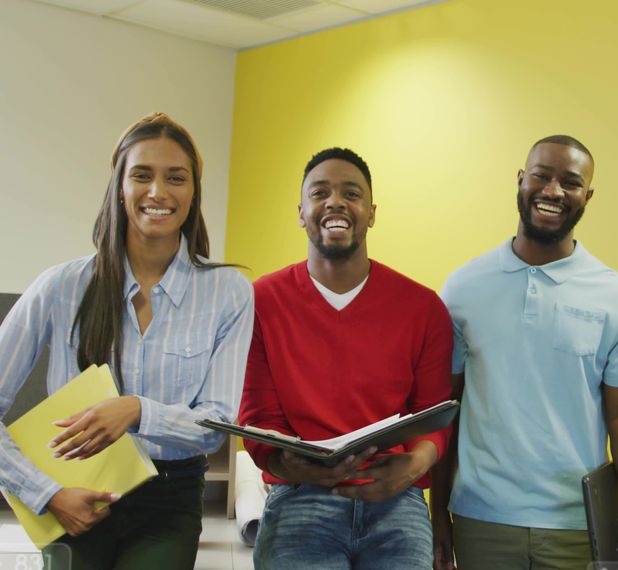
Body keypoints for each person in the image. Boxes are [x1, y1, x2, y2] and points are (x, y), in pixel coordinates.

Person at [0, 112, 254, 569]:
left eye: (175, 177)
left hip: (169, 502)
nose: (158, 192)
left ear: (193, 191)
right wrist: (46, 493)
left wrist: (137, 411)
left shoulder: (229, 292)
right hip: (73, 492)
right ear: (120, 185)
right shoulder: (60, 286)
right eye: (141, 175)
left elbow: (216, 425)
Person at [432, 135, 618, 569]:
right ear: (521, 180)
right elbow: (445, 411)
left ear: (588, 196)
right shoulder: (462, 289)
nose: (553, 191)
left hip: (580, 525)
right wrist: (437, 514)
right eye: (541, 176)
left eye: (570, 182)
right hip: (482, 519)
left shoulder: (616, 297)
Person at [237, 147, 453, 570]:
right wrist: (291, 466)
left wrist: (413, 467)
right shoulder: (260, 301)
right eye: (320, 193)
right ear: (301, 213)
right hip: (300, 496)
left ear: (371, 213)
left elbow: (434, 415)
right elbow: (259, 421)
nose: (335, 202)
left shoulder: (423, 307)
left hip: (395, 496)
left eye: (351, 193)